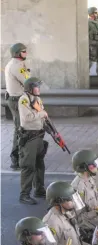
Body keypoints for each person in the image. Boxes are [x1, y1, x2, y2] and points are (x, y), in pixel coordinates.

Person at [43, 181, 89, 245]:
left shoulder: (66, 213)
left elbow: (73, 240)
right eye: (69, 199)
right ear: (59, 202)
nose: (73, 201)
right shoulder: (51, 223)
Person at [18, 77, 48, 205]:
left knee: (40, 165)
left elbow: (42, 115)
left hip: (39, 136)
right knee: (29, 166)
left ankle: (39, 190)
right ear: (30, 88)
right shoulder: (24, 100)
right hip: (30, 137)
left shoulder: (37, 99)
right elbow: (27, 118)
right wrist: (42, 115)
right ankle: (24, 195)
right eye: (36, 86)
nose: (38, 89)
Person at [5, 42, 30, 170]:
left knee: (20, 128)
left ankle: (20, 157)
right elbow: (27, 81)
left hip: (16, 99)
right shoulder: (16, 66)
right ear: (17, 53)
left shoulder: (16, 64)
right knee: (20, 129)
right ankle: (15, 159)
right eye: (23, 51)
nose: (26, 53)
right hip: (17, 101)